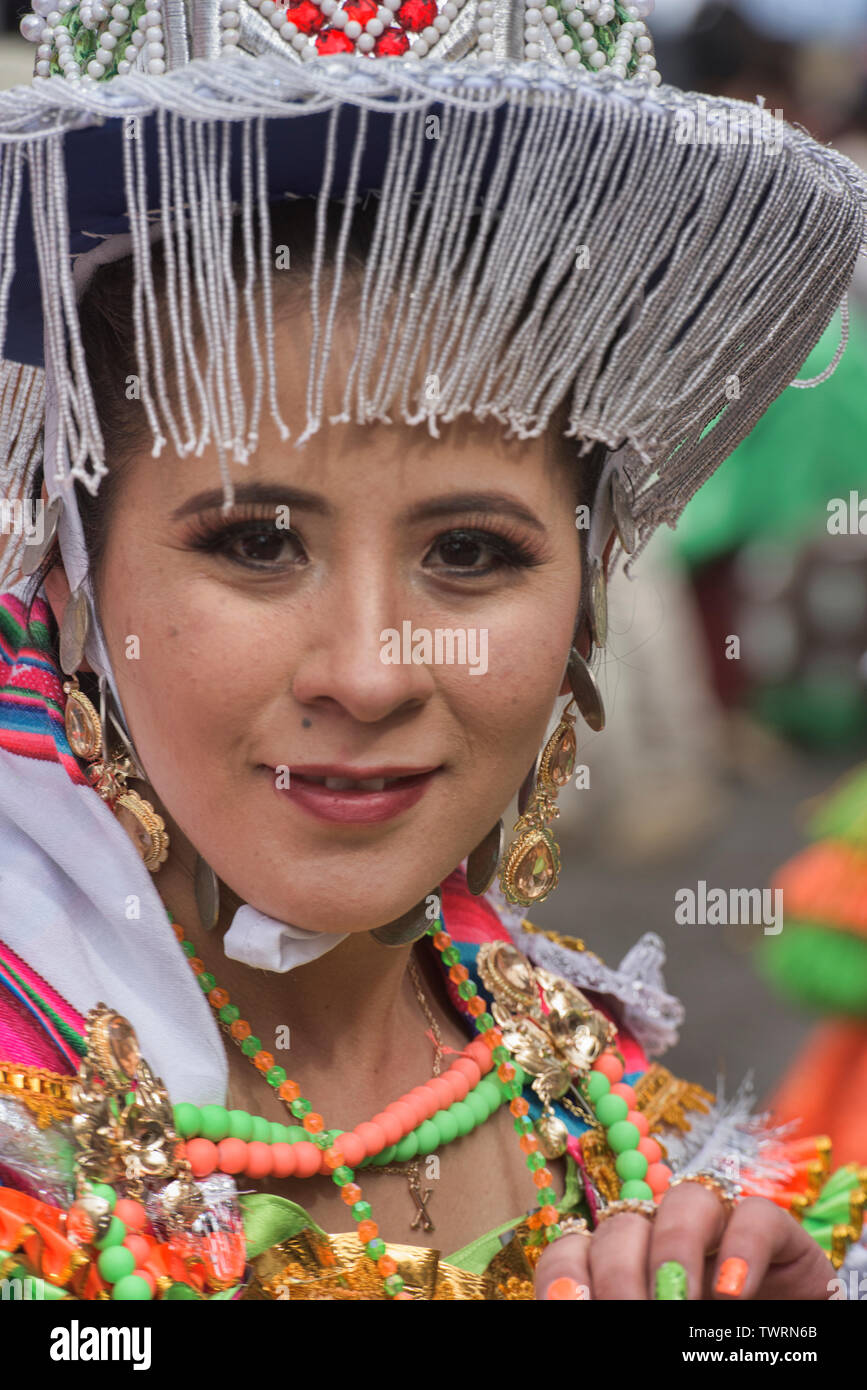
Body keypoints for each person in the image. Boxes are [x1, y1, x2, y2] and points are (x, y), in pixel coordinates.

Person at [0, 0, 864, 1303]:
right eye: (252, 543)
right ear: (71, 578)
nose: (370, 667)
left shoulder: (602, 1095)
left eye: (468, 552)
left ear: (584, 602)